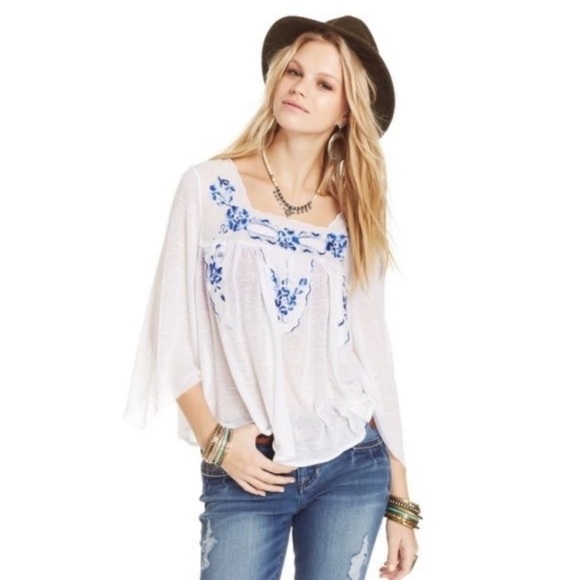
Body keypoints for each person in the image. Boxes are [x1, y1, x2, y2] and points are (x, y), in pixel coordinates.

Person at [125, 14, 420, 580]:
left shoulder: (353, 216)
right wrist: (216, 443)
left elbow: (373, 354)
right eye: (293, 72)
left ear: (347, 112)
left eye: (324, 84)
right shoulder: (207, 187)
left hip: (351, 462)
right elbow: (171, 336)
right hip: (248, 464)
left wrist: (401, 499)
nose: (300, 88)